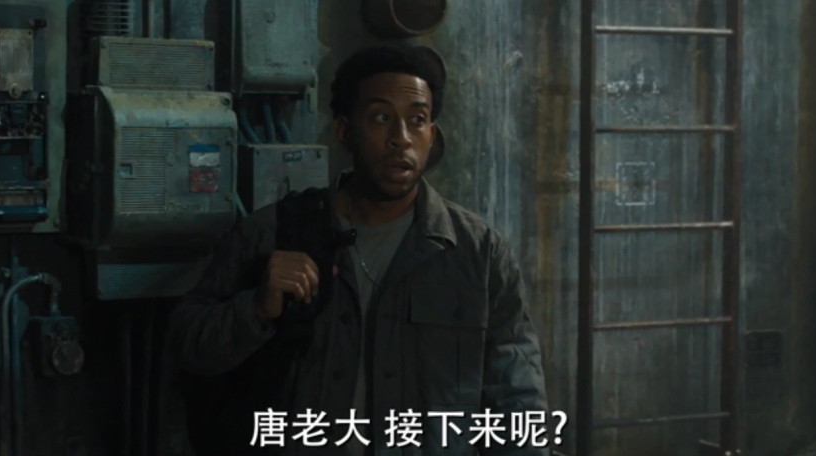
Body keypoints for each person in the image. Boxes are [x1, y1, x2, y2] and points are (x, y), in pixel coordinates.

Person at [168, 44, 550, 456]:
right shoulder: (276, 233)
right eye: (382, 118)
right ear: (345, 131)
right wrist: (257, 310)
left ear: (432, 136)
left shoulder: (479, 254)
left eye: (417, 120)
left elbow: (518, 400)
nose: (401, 138)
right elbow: (188, 346)